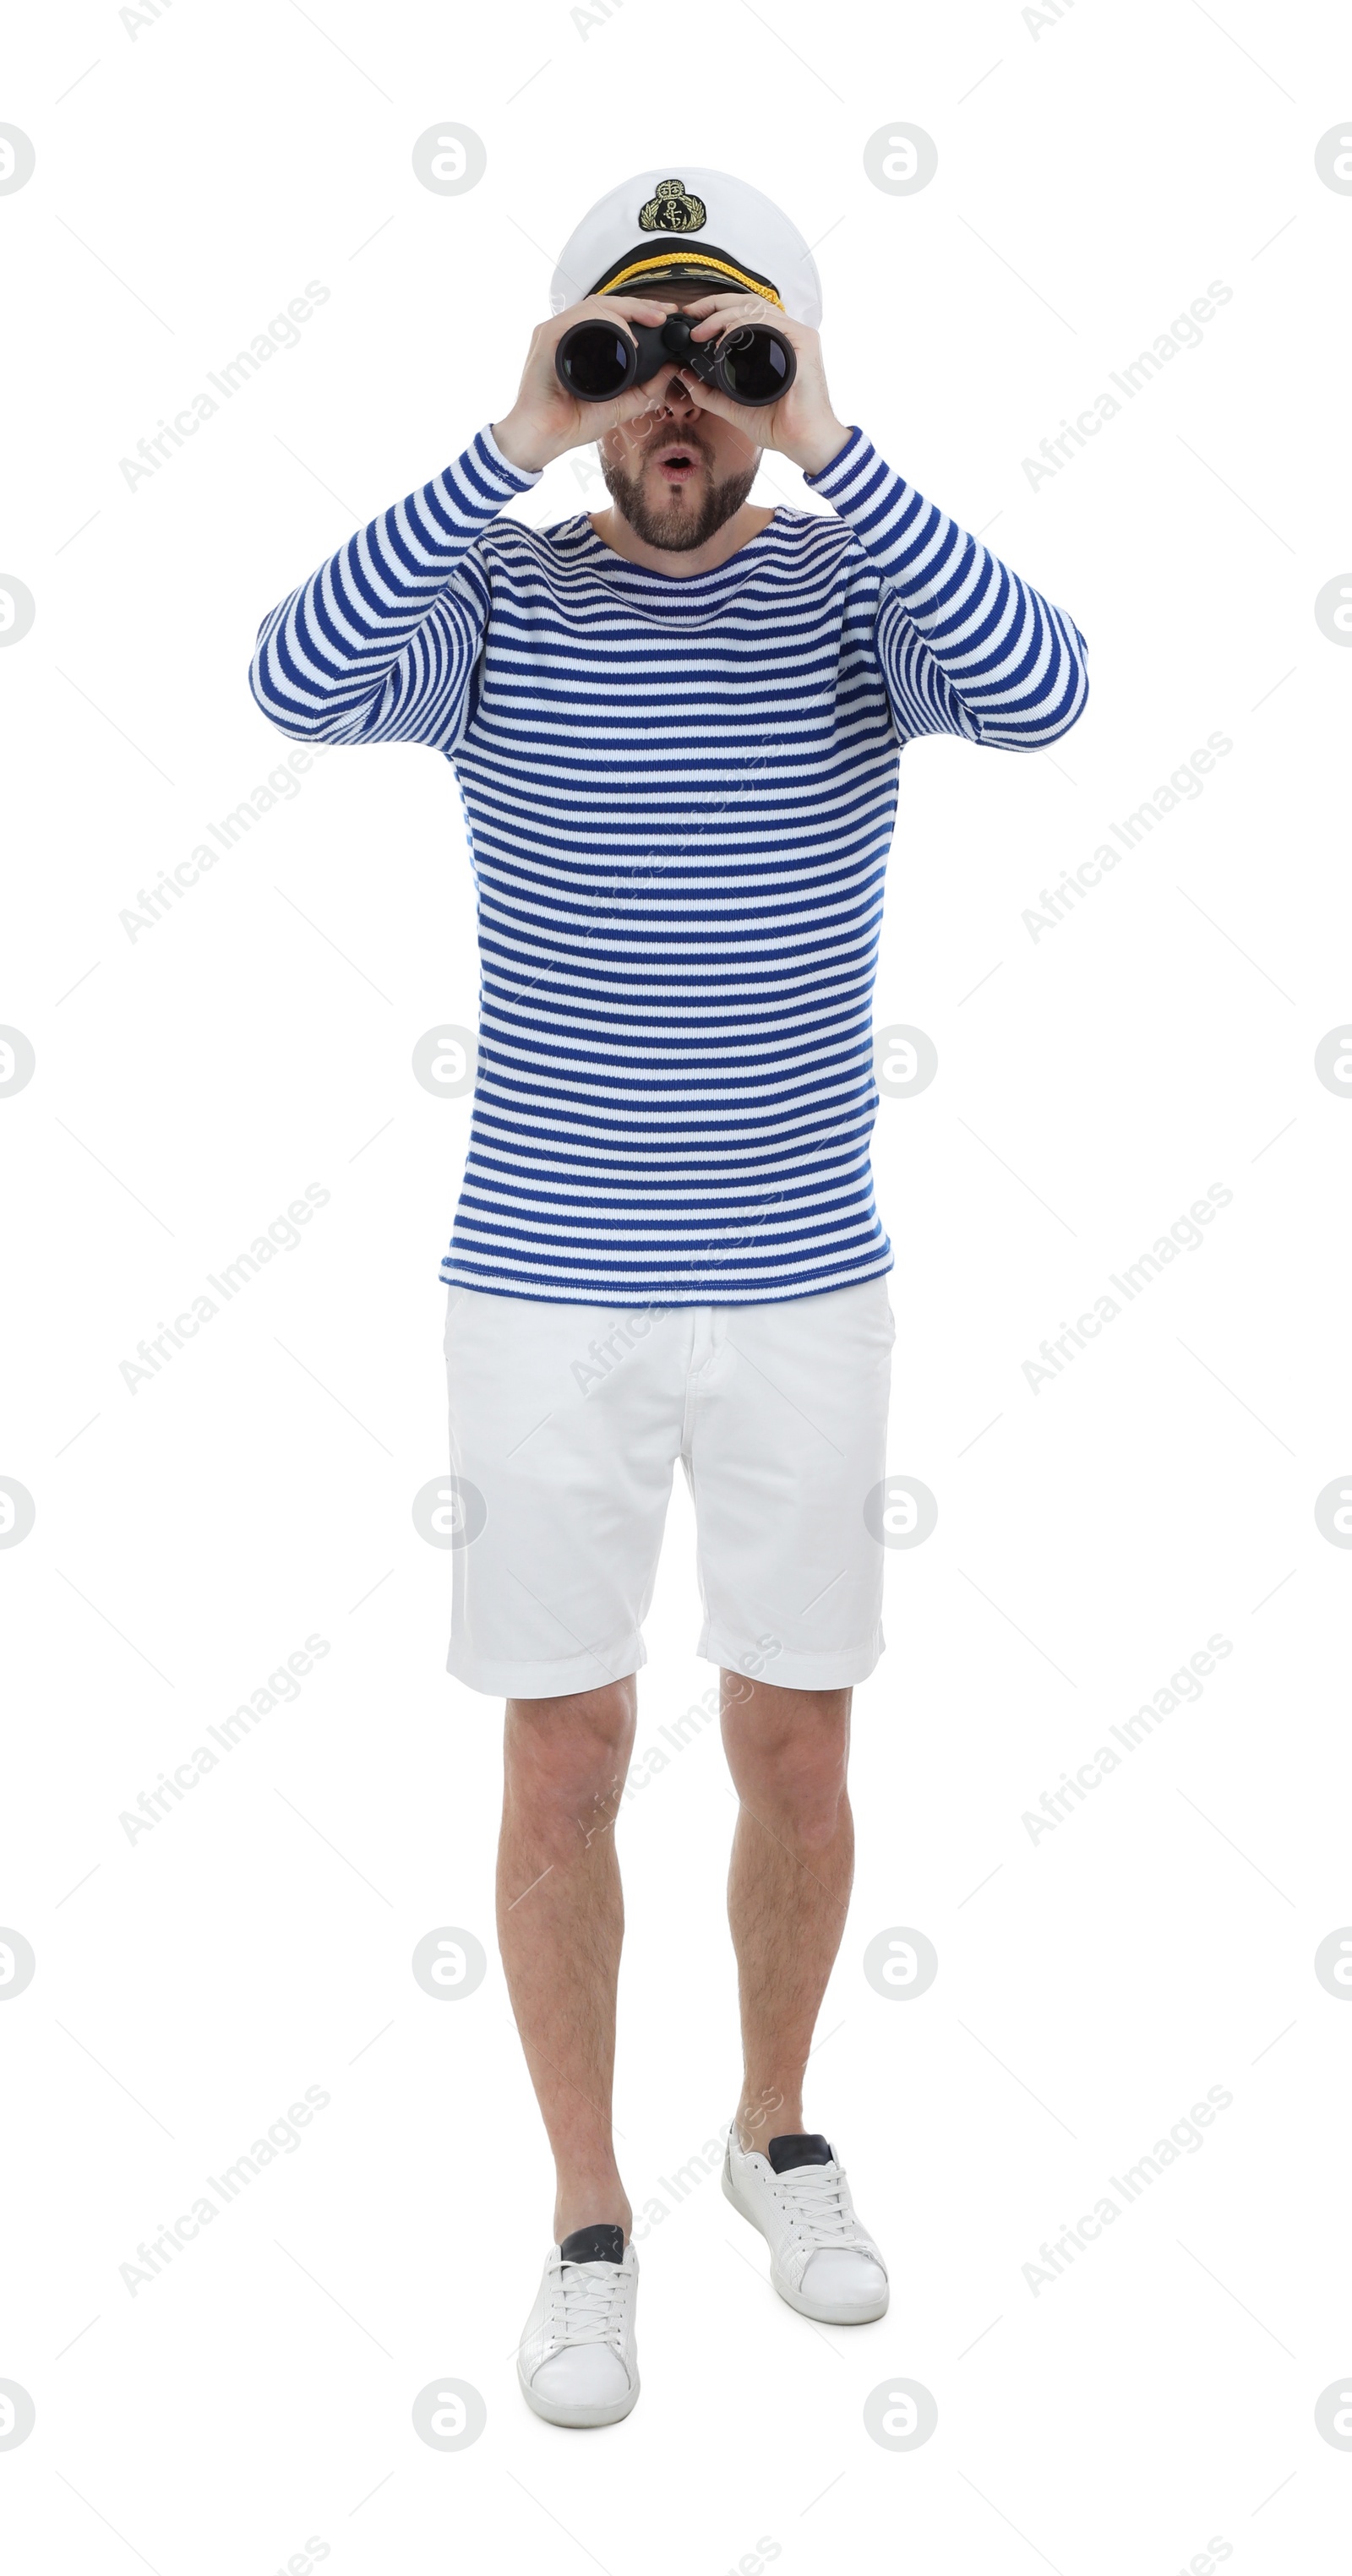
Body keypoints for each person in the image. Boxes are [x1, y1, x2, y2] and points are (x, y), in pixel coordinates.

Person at [250, 165, 1088, 2430]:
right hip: (544, 1287)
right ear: (583, 381)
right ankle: (587, 2214)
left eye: (726, 356)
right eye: (636, 359)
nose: (678, 403)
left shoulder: (852, 592)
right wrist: (506, 435)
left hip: (809, 1275)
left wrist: (843, 441)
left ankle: (775, 2130)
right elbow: (285, 674)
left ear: (784, 371)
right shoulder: (497, 602)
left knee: (800, 1738)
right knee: (563, 1753)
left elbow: (1051, 695)